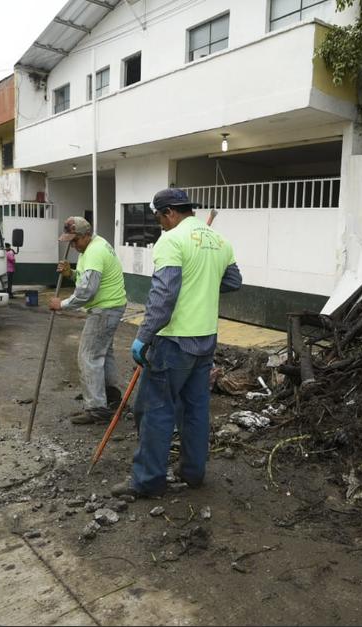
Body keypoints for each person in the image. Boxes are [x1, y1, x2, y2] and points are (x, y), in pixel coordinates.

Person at [112, 189, 241, 499]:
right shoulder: (219, 241)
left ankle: (147, 481)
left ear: (169, 212)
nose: (160, 225)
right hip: (206, 339)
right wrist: (202, 282)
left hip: (174, 342)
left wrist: (143, 337)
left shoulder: (171, 241)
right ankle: (193, 473)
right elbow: (234, 281)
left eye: (159, 218)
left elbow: (164, 294)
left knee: (155, 410)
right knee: (196, 409)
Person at [50, 216, 128, 425]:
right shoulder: (93, 247)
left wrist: (62, 304)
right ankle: (110, 396)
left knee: (88, 356)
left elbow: (86, 292)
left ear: (86, 235)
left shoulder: (94, 252)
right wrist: (71, 273)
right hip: (112, 306)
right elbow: (86, 279)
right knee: (104, 353)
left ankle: (97, 408)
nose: (73, 246)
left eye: (75, 241)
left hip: (105, 309)